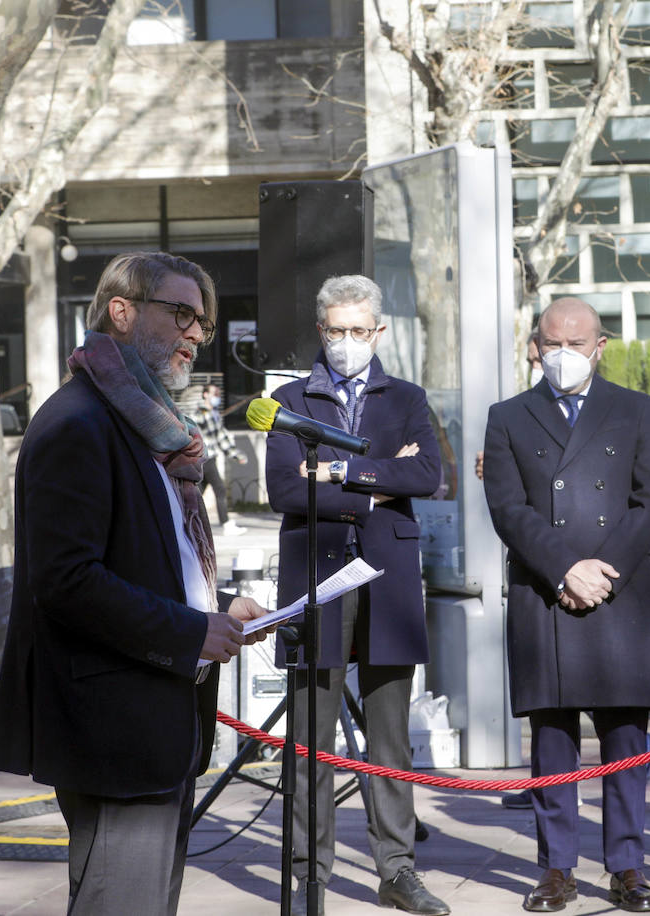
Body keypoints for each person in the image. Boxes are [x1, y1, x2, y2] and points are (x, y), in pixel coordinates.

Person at [0, 250, 272, 914]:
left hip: (156, 717)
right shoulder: (79, 422)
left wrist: (217, 604)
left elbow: (150, 555)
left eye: (201, 322)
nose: (196, 336)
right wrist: (191, 629)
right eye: (181, 315)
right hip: (114, 726)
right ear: (121, 311)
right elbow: (68, 581)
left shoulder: (143, 425)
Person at [265, 275, 448, 916]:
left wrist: (340, 471)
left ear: (380, 330)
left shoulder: (406, 397)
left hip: (388, 576)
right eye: (337, 330)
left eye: (359, 330)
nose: (348, 342)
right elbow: (286, 491)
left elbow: (428, 474)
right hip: (315, 575)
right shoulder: (290, 398)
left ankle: (397, 870)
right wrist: (378, 480)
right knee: (312, 737)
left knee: (389, 738)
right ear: (321, 330)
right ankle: (307, 871)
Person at [482, 297, 650, 914]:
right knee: (552, 743)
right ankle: (556, 868)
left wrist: (601, 573)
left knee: (625, 743)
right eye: (550, 343)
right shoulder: (508, 415)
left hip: (618, 590)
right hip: (547, 590)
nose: (561, 355)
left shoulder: (635, 408)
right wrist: (565, 567)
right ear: (536, 344)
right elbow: (509, 508)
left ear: (600, 345)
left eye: (575, 343)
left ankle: (628, 867)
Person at [474, 332, 541, 482]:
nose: (535, 369)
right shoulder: (518, 411)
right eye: (531, 362)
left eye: (540, 361)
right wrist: (497, 464)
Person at [190, 381, 248, 535]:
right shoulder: (203, 414)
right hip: (206, 458)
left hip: (207, 458)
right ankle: (226, 524)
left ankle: (186, 522)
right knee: (220, 489)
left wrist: (235, 455)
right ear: (205, 395)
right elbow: (220, 439)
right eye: (214, 394)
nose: (217, 397)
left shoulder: (212, 413)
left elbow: (221, 438)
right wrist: (236, 455)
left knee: (197, 494)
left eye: (218, 394)